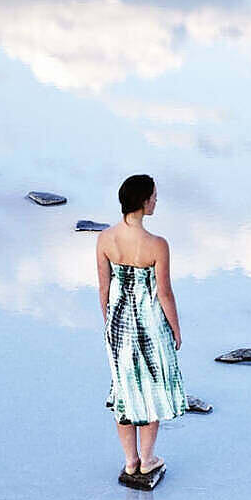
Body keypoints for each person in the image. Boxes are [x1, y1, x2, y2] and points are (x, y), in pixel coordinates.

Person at [97, 174, 188, 480]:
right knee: (152, 390)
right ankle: (147, 460)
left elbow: (103, 289)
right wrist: (175, 329)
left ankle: (130, 460)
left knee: (124, 390)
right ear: (143, 201)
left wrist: (108, 323)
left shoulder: (105, 238)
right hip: (150, 325)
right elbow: (164, 292)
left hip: (119, 323)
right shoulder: (157, 245)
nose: (156, 201)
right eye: (154, 196)